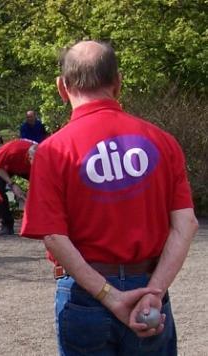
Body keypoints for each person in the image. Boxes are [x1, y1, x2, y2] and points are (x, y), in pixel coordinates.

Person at [21, 40, 198, 355]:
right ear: (117, 83)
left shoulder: (53, 151)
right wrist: (154, 291)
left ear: (62, 87)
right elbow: (186, 224)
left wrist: (108, 295)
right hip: (149, 290)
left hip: (85, 295)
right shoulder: (162, 142)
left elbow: (53, 236)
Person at [0, 138, 37, 236]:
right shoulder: (12, 152)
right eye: (34, 161)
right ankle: (7, 225)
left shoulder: (44, 156)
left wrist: (31, 191)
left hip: (26, 170)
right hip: (5, 168)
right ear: (29, 157)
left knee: (42, 190)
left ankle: (37, 223)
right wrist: (12, 185)